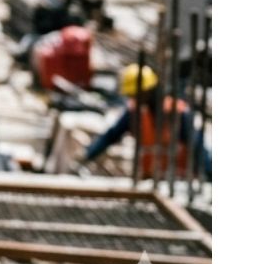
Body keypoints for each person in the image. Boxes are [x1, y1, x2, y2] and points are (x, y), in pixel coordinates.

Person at [82, 65, 212, 180]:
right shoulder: (134, 113)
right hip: (151, 179)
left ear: (149, 90)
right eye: (132, 95)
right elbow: (110, 136)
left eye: (137, 94)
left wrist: (210, 174)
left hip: (179, 181)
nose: (135, 98)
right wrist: (87, 156)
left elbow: (198, 147)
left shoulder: (177, 112)